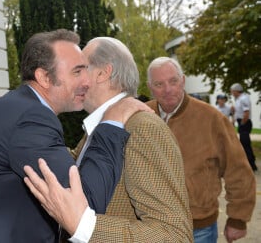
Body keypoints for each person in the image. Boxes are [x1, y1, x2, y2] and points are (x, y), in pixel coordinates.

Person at [0, 29, 149, 243]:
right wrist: (112, 121)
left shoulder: (17, 106)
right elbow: (83, 204)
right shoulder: (31, 118)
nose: (87, 81)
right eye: (77, 72)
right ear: (44, 77)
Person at [24, 37, 193, 242]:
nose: (74, 79)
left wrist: (83, 226)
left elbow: (174, 235)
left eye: (80, 70)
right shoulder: (103, 126)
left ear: (103, 73)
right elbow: (77, 165)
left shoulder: (142, 129)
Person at [146, 57, 256, 243]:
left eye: (173, 81)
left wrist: (238, 218)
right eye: (159, 84)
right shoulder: (141, 115)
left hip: (198, 229)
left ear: (183, 80)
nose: (167, 90)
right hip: (150, 227)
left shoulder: (212, 118)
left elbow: (238, 169)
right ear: (150, 87)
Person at [230, 83, 257, 171]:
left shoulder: (244, 98)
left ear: (237, 91)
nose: (232, 93)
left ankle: (251, 165)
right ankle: (251, 162)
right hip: (242, 122)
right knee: (245, 143)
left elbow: (246, 112)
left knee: (245, 144)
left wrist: (242, 123)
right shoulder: (238, 99)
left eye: (232, 91)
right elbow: (240, 111)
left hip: (245, 123)